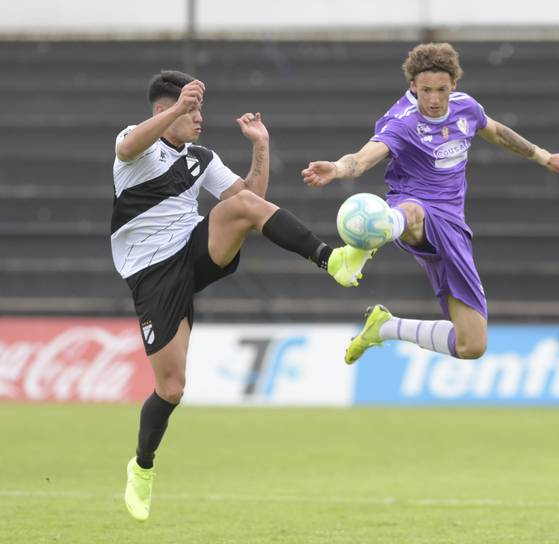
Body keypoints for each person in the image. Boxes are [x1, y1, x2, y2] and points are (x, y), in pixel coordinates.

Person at [112, 70, 373, 521]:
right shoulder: (137, 146)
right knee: (171, 389)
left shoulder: (202, 157)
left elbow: (253, 202)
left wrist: (260, 145)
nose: (198, 120)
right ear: (163, 111)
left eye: (199, 111)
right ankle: (143, 466)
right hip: (151, 274)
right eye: (190, 111)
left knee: (243, 207)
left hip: (192, 249)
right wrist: (178, 106)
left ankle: (332, 260)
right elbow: (127, 146)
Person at [302, 42, 559, 364]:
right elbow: (364, 158)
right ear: (413, 86)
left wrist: (544, 157)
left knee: (472, 345)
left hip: (453, 227)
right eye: (426, 90)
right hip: (413, 208)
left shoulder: (467, 109)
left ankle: (384, 327)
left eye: (441, 90)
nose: (434, 99)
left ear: (454, 85)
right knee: (412, 212)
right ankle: (358, 249)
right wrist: (338, 168)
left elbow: (497, 131)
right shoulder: (402, 122)